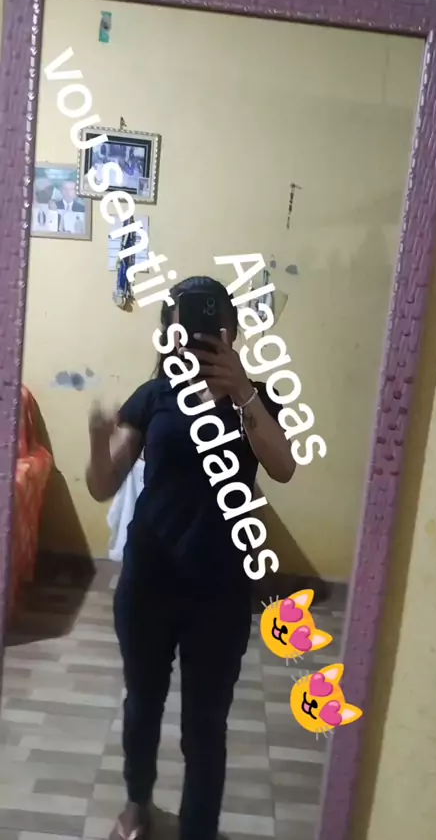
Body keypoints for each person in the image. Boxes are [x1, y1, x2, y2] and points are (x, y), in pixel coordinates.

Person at [86, 276, 295, 840]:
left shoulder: (257, 397)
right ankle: (137, 805)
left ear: (232, 332)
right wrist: (98, 441)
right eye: (184, 330)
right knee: (142, 706)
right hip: (148, 581)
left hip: (220, 592)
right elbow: (103, 485)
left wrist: (243, 391)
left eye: (209, 327)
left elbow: (283, 467)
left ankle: (198, 828)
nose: (196, 339)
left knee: (206, 724)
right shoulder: (155, 395)